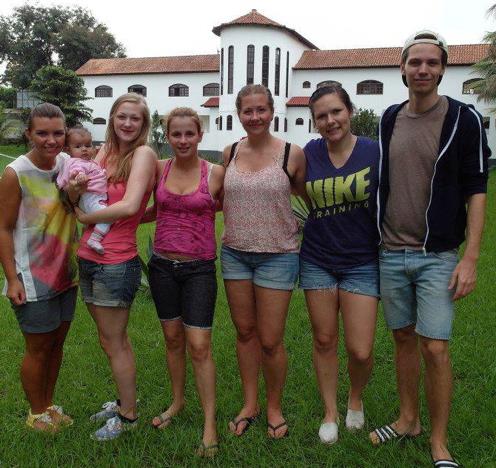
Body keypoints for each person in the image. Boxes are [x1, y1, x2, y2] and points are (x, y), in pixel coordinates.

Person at [370, 31, 490, 468]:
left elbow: (477, 187)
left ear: (442, 69)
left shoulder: (463, 118)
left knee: (435, 347)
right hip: (389, 252)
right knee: (402, 339)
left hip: (436, 256)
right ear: (402, 68)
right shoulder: (388, 118)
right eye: (415, 62)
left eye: (432, 63)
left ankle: (439, 441)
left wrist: (470, 258)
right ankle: (408, 420)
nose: (423, 70)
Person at [221, 84, 306, 439]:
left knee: (270, 340)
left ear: (272, 112)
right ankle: (250, 403)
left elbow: (306, 197)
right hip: (235, 254)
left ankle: (274, 407)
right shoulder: (229, 152)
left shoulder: (291, 153)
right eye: (248, 111)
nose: (254, 117)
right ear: (238, 114)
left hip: (278, 256)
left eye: (261, 110)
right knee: (245, 333)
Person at [74, 92, 157, 441]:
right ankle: (123, 402)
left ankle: (128, 416)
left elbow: (130, 205)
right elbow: (79, 192)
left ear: (143, 123)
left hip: (116, 261)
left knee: (116, 341)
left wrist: (85, 217)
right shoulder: (105, 151)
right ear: (111, 118)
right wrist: (73, 191)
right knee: (108, 341)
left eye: (135, 118)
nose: (127, 123)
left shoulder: (143, 154)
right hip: (88, 256)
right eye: (122, 116)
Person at [300, 85, 380, 444]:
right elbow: (296, 189)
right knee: (324, 339)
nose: (330, 121)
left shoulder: (374, 151)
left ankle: (355, 398)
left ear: (350, 111)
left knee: (360, 350)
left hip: (362, 260)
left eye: (336, 111)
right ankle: (330, 411)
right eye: (321, 116)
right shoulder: (309, 153)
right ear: (314, 121)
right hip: (317, 258)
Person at [143, 107, 224, 457]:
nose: (183, 140)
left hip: (199, 270)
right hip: (162, 267)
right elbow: (151, 209)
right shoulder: (159, 169)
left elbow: (228, 207)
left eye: (189, 133)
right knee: (173, 339)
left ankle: (209, 423)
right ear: (168, 136)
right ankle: (177, 402)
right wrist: (121, 220)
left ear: (200, 135)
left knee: (200, 346)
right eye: (176, 134)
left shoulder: (216, 173)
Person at [0, 103, 78, 432]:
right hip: (32, 276)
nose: (51, 140)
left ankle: (48, 406)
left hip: (67, 272)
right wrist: (12, 279)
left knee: (56, 344)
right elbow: (3, 228)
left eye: (58, 133)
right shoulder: (15, 173)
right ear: (29, 134)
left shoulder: (67, 164)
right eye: (42, 133)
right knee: (38, 348)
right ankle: (36, 413)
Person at [56, 127, 110, 255]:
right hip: (89, 197)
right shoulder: (76, 163)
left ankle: (91, 233)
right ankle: (95, 239)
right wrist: (80, 176)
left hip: (93, 197)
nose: (84, 149)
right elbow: (77, 171)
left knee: (104, 215)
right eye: (78, 146)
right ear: (68, 150)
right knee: (108, 217)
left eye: (88, 145)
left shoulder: (88, 161)